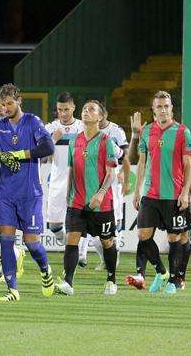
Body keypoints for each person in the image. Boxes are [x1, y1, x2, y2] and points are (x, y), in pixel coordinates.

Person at [0, 83, 56, 302]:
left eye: (10, 103)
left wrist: (18, 155)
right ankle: (12, 290)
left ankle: (45, 270)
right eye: (3, 104)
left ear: (19, 101)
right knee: (6, 240)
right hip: (6, 194)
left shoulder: (32, 122)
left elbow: (48, 147)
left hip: (30, 193)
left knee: (32, 243)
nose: (6, 108)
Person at [126, 91, 191, 294]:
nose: (163, 110)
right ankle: (161, 271)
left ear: (171, 109)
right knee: (143, 235)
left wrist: (185, 192)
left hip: (173, 195)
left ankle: (174, 280)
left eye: (166, 106)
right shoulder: (147, 131)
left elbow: (189, 164)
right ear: (153, 110)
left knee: (175, 238)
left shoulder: (182, 132)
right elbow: (141, 162)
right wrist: (137, 191)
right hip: (150, 194)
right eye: (159, 107)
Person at [54, 100, 120, 296]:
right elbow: (71, 170)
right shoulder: (74, 141)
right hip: (76, 202)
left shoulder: (106, 141)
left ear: (100, 117)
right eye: (84, 109)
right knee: (71, 239)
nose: (86, 112)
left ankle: (111, 279)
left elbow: (111, 173)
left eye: (91, 109)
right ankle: (68, 283)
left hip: (101, 204)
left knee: (107, 241)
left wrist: (100, 193)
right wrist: (68, 196)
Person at [45, 93, 85, 263]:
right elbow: (41, 155)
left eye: (66, 109)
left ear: (73, 108)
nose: (62, 113)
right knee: (54, 226)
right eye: (60, 110)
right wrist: (53, 140)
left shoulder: (82, 127)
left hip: (78, 181)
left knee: (79, 222)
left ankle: (79, 254)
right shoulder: (50, 128)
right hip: (56, 182)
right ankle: (71, 248)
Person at [94, 104, 130, 271]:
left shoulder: (116, 131)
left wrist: (124, 174)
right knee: (94, 230)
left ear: (104, 114)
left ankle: (114, 258)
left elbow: (125, 156)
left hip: (112, 181)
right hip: (92, 182)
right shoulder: (86, 131)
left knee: (115, 221)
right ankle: (104, 258)